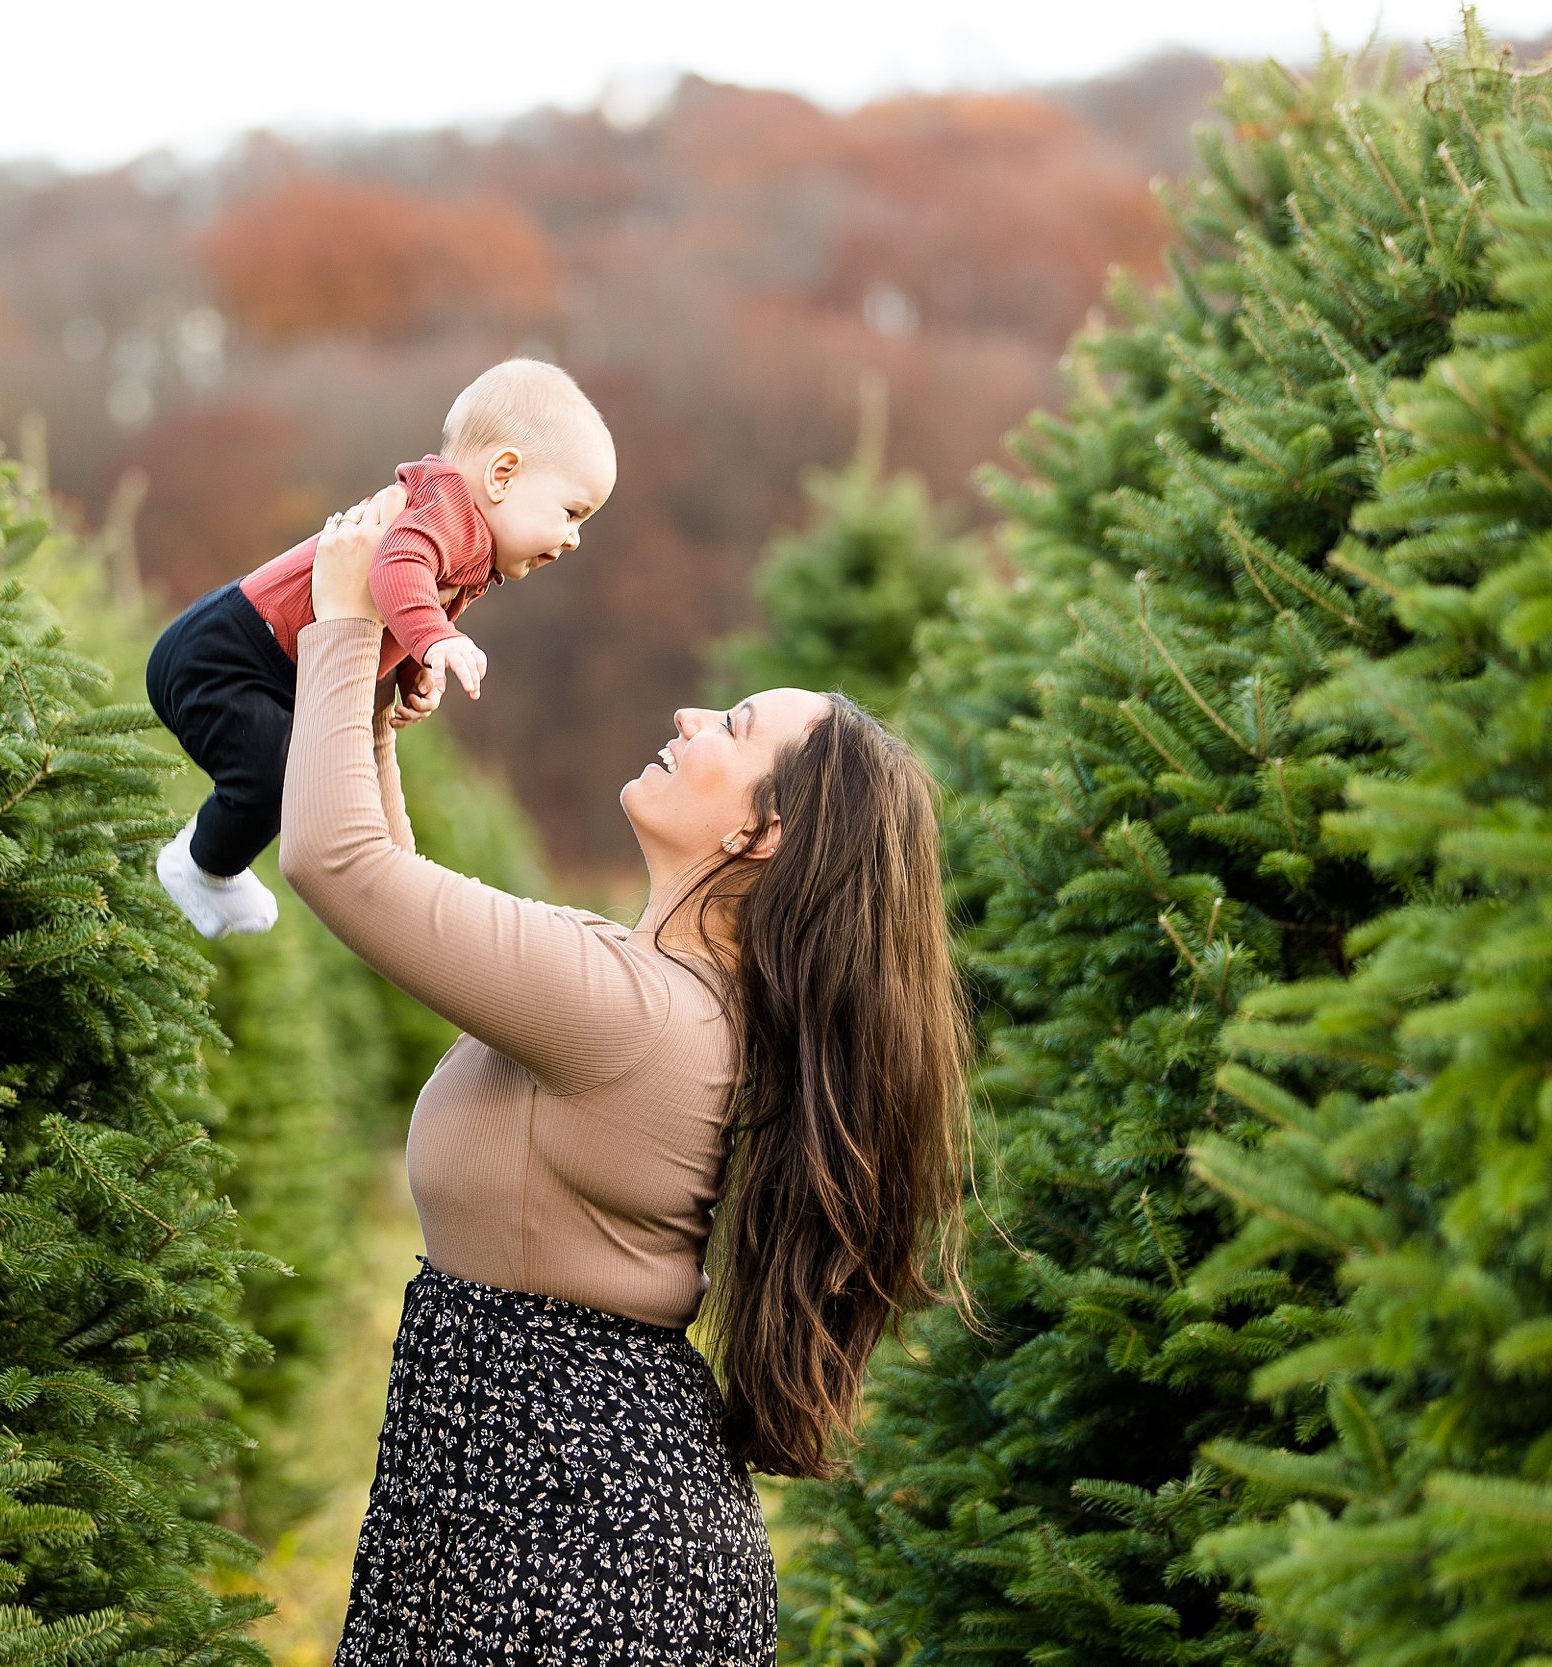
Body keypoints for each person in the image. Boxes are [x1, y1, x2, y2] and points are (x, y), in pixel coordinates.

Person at [280, 489, 973, 1665]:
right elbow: (393, 879)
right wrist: (380, 721)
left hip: (569, 1538)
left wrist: (339, 624)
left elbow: (332, 861)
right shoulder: (646, 990)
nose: (693, 712)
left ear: (765, 833)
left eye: (736, 724)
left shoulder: (629, 1010)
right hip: (549, 1510)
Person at [144, 358, 615, 938]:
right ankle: (200, 865)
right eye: (571, 513)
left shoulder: (469, 547)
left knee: (287, 773)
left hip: (264, 662)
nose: (573, 539)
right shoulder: (446, 509)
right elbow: (397, 565)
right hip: (228, 652)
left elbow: (391, 605)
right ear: (502, 475)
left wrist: (413, 664)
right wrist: (436, 636)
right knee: (273, 776)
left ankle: (212, 864)